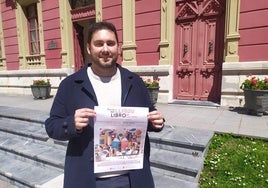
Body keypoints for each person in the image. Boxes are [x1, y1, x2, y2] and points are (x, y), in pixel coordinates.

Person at [45, 21, 164, 188]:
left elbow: (149, 116)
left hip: (131, 178)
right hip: (88, 179)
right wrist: (71, 123)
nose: (106, 49)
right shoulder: (71, 85)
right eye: (99, 44)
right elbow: (51, 126)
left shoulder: (134, 82)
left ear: (118, 47)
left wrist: (156, 122)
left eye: (111, 43)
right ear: (88, 48)